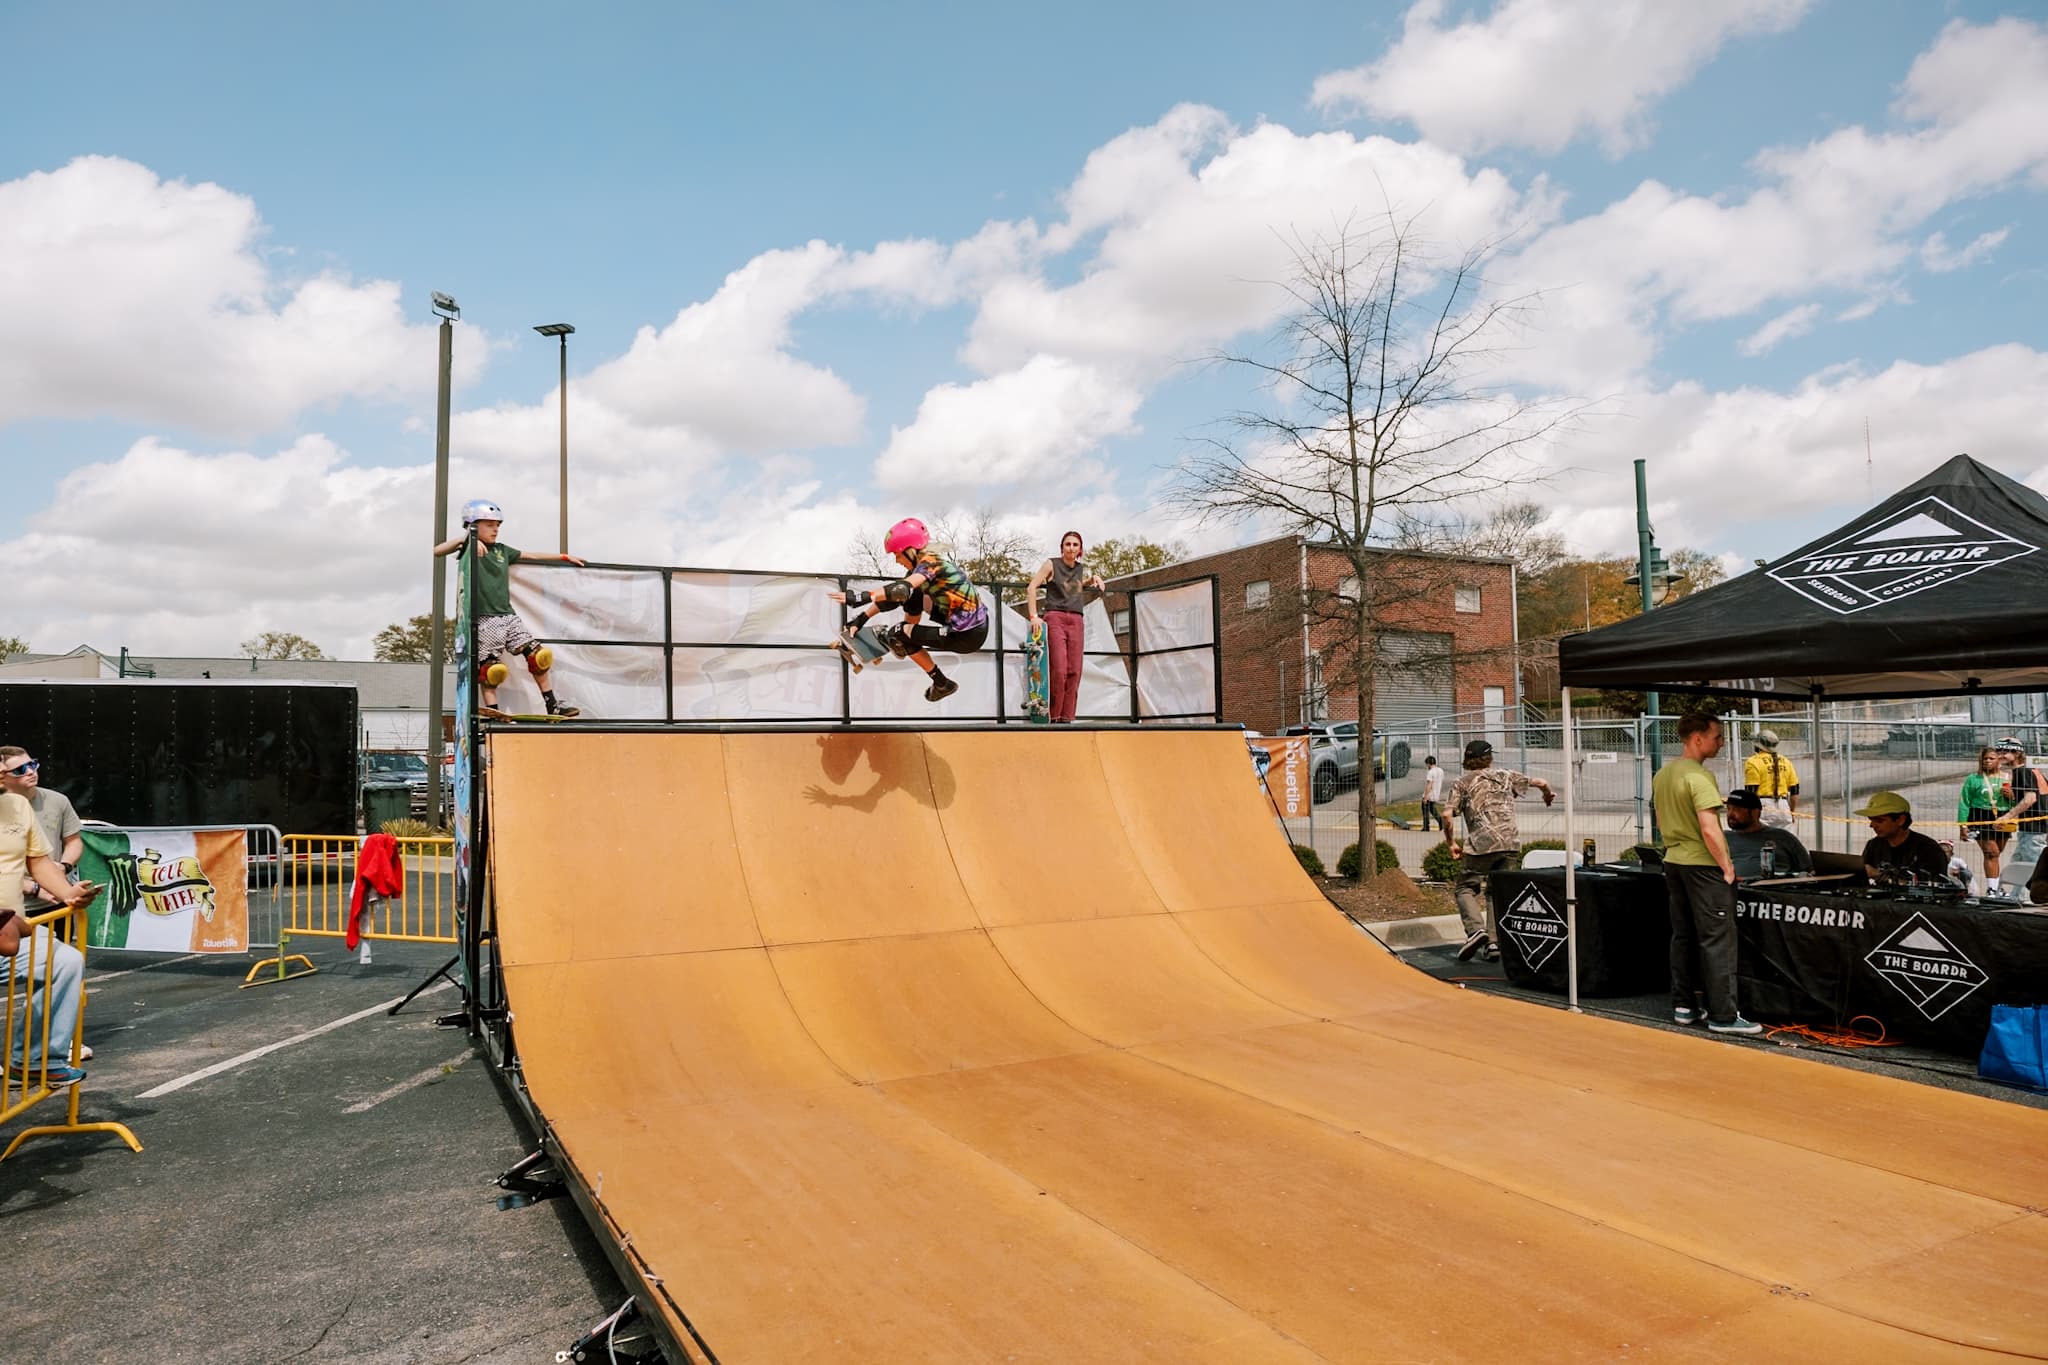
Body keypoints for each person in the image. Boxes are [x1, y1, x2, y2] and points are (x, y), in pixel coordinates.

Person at [1653, 712, 1762, 1035]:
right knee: (1718, 940)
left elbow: (1660, 822)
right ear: (1697, 738)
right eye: (1717, 736)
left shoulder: (1663, 774)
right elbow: (1710, 829)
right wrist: (1727, 868)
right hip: (1702, 866)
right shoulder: (1699, 777)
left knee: (1683, 935)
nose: (1721, 742)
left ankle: (1684, 1005)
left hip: (1674, 861)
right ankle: (1724, 1016)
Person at [434, 500, 587, 717]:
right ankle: (493, 712)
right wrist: (467, 539)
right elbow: (437, 551)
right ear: (473, 525)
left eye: (497, 525)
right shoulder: (468, 547)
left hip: (508, 616)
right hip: (484, 619)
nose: (495, 529)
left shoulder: (502, 551)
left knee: (538, 656)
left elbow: (530, 555)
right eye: (489, 525)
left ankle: (552, 704)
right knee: (491, 670)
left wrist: (563, 557)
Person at [1, 783, 99, 1087]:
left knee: (65, 962)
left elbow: (39, 862)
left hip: (9, 930)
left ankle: (33, 1060)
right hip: (8, 929)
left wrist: (68, 893)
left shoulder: (17, 808)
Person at [831, 518, 990, 703]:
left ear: (910, 550)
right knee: (912, 597)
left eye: (897, 555)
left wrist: (862, 597)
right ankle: (902, 639)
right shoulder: (922, 568)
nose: (897, 560)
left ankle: (940, 682)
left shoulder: (931, 563)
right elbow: (895, 596)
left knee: (898, 630)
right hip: (966, 624)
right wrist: (860, 619)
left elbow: (899, 589)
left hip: (967, 635)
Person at [1443, 739, 1555, 962]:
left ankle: (1476, 931)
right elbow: (1542, 782)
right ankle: (1494, 943)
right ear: (1489, 758)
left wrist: (1451, 843)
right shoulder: (1505, 775)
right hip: (1510, 845)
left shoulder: (1462, 782)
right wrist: (1547, 795)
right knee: (1496, 892)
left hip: (1482, 845)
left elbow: (1447, 815)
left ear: (1467, 760)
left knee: (1465, 887)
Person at [1025, 532, 1105, 724]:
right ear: (1062, 547)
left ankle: (1067, 718)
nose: (1071, 547)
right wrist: (1034, 616)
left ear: (1080, 549)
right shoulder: (1051, 564)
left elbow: (1074, 587)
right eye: (1067, 544)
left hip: (1076, 619)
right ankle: (1052, 716)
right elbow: (1031, 588)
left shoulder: (1079, 568)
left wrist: (1092, 578)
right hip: (1055, 618)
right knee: (1059, 670)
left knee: (1075, 671)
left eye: (1075, 544)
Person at [0, 748, 81, 909]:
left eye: (32, 764)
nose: (31, 772)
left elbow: (38, 863)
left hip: (49, 902)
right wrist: (33, 888)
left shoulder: (27, 805)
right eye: (20, 770)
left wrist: (68, 890)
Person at [1856, 791, 1951, 882]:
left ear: (1901, 820)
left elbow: (1933, 889)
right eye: (1871, 820)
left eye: (1879, 821)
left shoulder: (1928, 850)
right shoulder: (1874, 845)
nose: (1872, 825)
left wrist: (1878, 875)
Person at [1957, 746, 2015, 895]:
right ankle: (1992, 889)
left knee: (1997, 852)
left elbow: (2017, 804)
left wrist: (2011, 796)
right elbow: (1964, 802)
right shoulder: (1973, 778)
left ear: (1998, 761)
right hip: (1980, 816)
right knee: (1991, 853)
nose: (1987, 761)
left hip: (2003, 816)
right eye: (1985, 759)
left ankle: (1996, 887)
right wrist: (1963, 825)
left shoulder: (2007, 777)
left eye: (1991, 758)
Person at [1723, 789, 1811, 881]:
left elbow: (1809, 869)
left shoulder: (1782, 837)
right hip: (1734, 890)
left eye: (1737, 809)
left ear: (1755, 812)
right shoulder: (1722, 839)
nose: (1730, 814)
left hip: (1774, 890)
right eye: (1729, 809)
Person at [1995, 738, 2045, 876]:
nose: (2000, 755)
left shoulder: (2023, 772)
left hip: (2034, 828)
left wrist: (2006, 817)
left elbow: (2030, 799)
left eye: (2005, 751)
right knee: (2018, 863)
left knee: (2036, 867)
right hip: (2034, 826)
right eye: (1998, 751)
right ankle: (2016, 896)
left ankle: (2040, 896)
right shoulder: (2031, 769)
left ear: (2017, 754)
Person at [1741, 729, 1800, 831]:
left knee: (1760, 840)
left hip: (1763, 805)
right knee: (1785, 842)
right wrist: (1791, 812)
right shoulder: (1786, 762)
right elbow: (1795, 792)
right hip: (1783, 805)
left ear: (1758, 745)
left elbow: (1750, 792)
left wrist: (1749, 813)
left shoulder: (1753, 762)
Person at [1419, 756, 1445, 832]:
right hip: (1436, 794)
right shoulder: (1440, 771)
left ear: (1428, 764)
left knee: (1425, 811)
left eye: (1427, 764)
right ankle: (1441, 822)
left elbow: (1429, 785)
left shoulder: (1430, 772)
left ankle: (1426, 827)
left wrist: (1425, 797)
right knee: (1433, 810)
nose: (1427, 766)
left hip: (1430, 795)